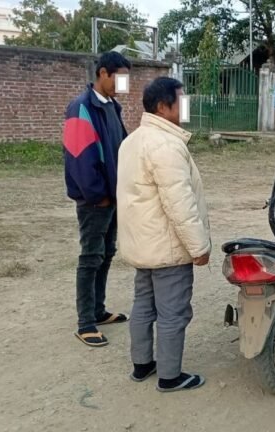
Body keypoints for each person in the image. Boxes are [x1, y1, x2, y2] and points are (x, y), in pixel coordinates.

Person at [117, 77, 211, 393]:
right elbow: (180, 203)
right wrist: (199, 246)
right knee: (173, 313)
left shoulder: (131, 141)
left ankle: (142, 365)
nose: (185, 106)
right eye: (181, 101)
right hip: (167, 248)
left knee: (144, 305)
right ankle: (170, 377)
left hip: (143, 246)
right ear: (162, 106)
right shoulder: (166, 146)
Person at [63, 51, 131, 347]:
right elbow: (79, 158)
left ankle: (98, 310)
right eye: (120, 78)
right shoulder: (81, 108)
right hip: (96, 201)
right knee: (90, 258)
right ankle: (85, 322)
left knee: (106, 254)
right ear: (103, 73)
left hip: (113, 198)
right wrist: (97, 196)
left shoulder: (113, 107)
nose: (123, 85)